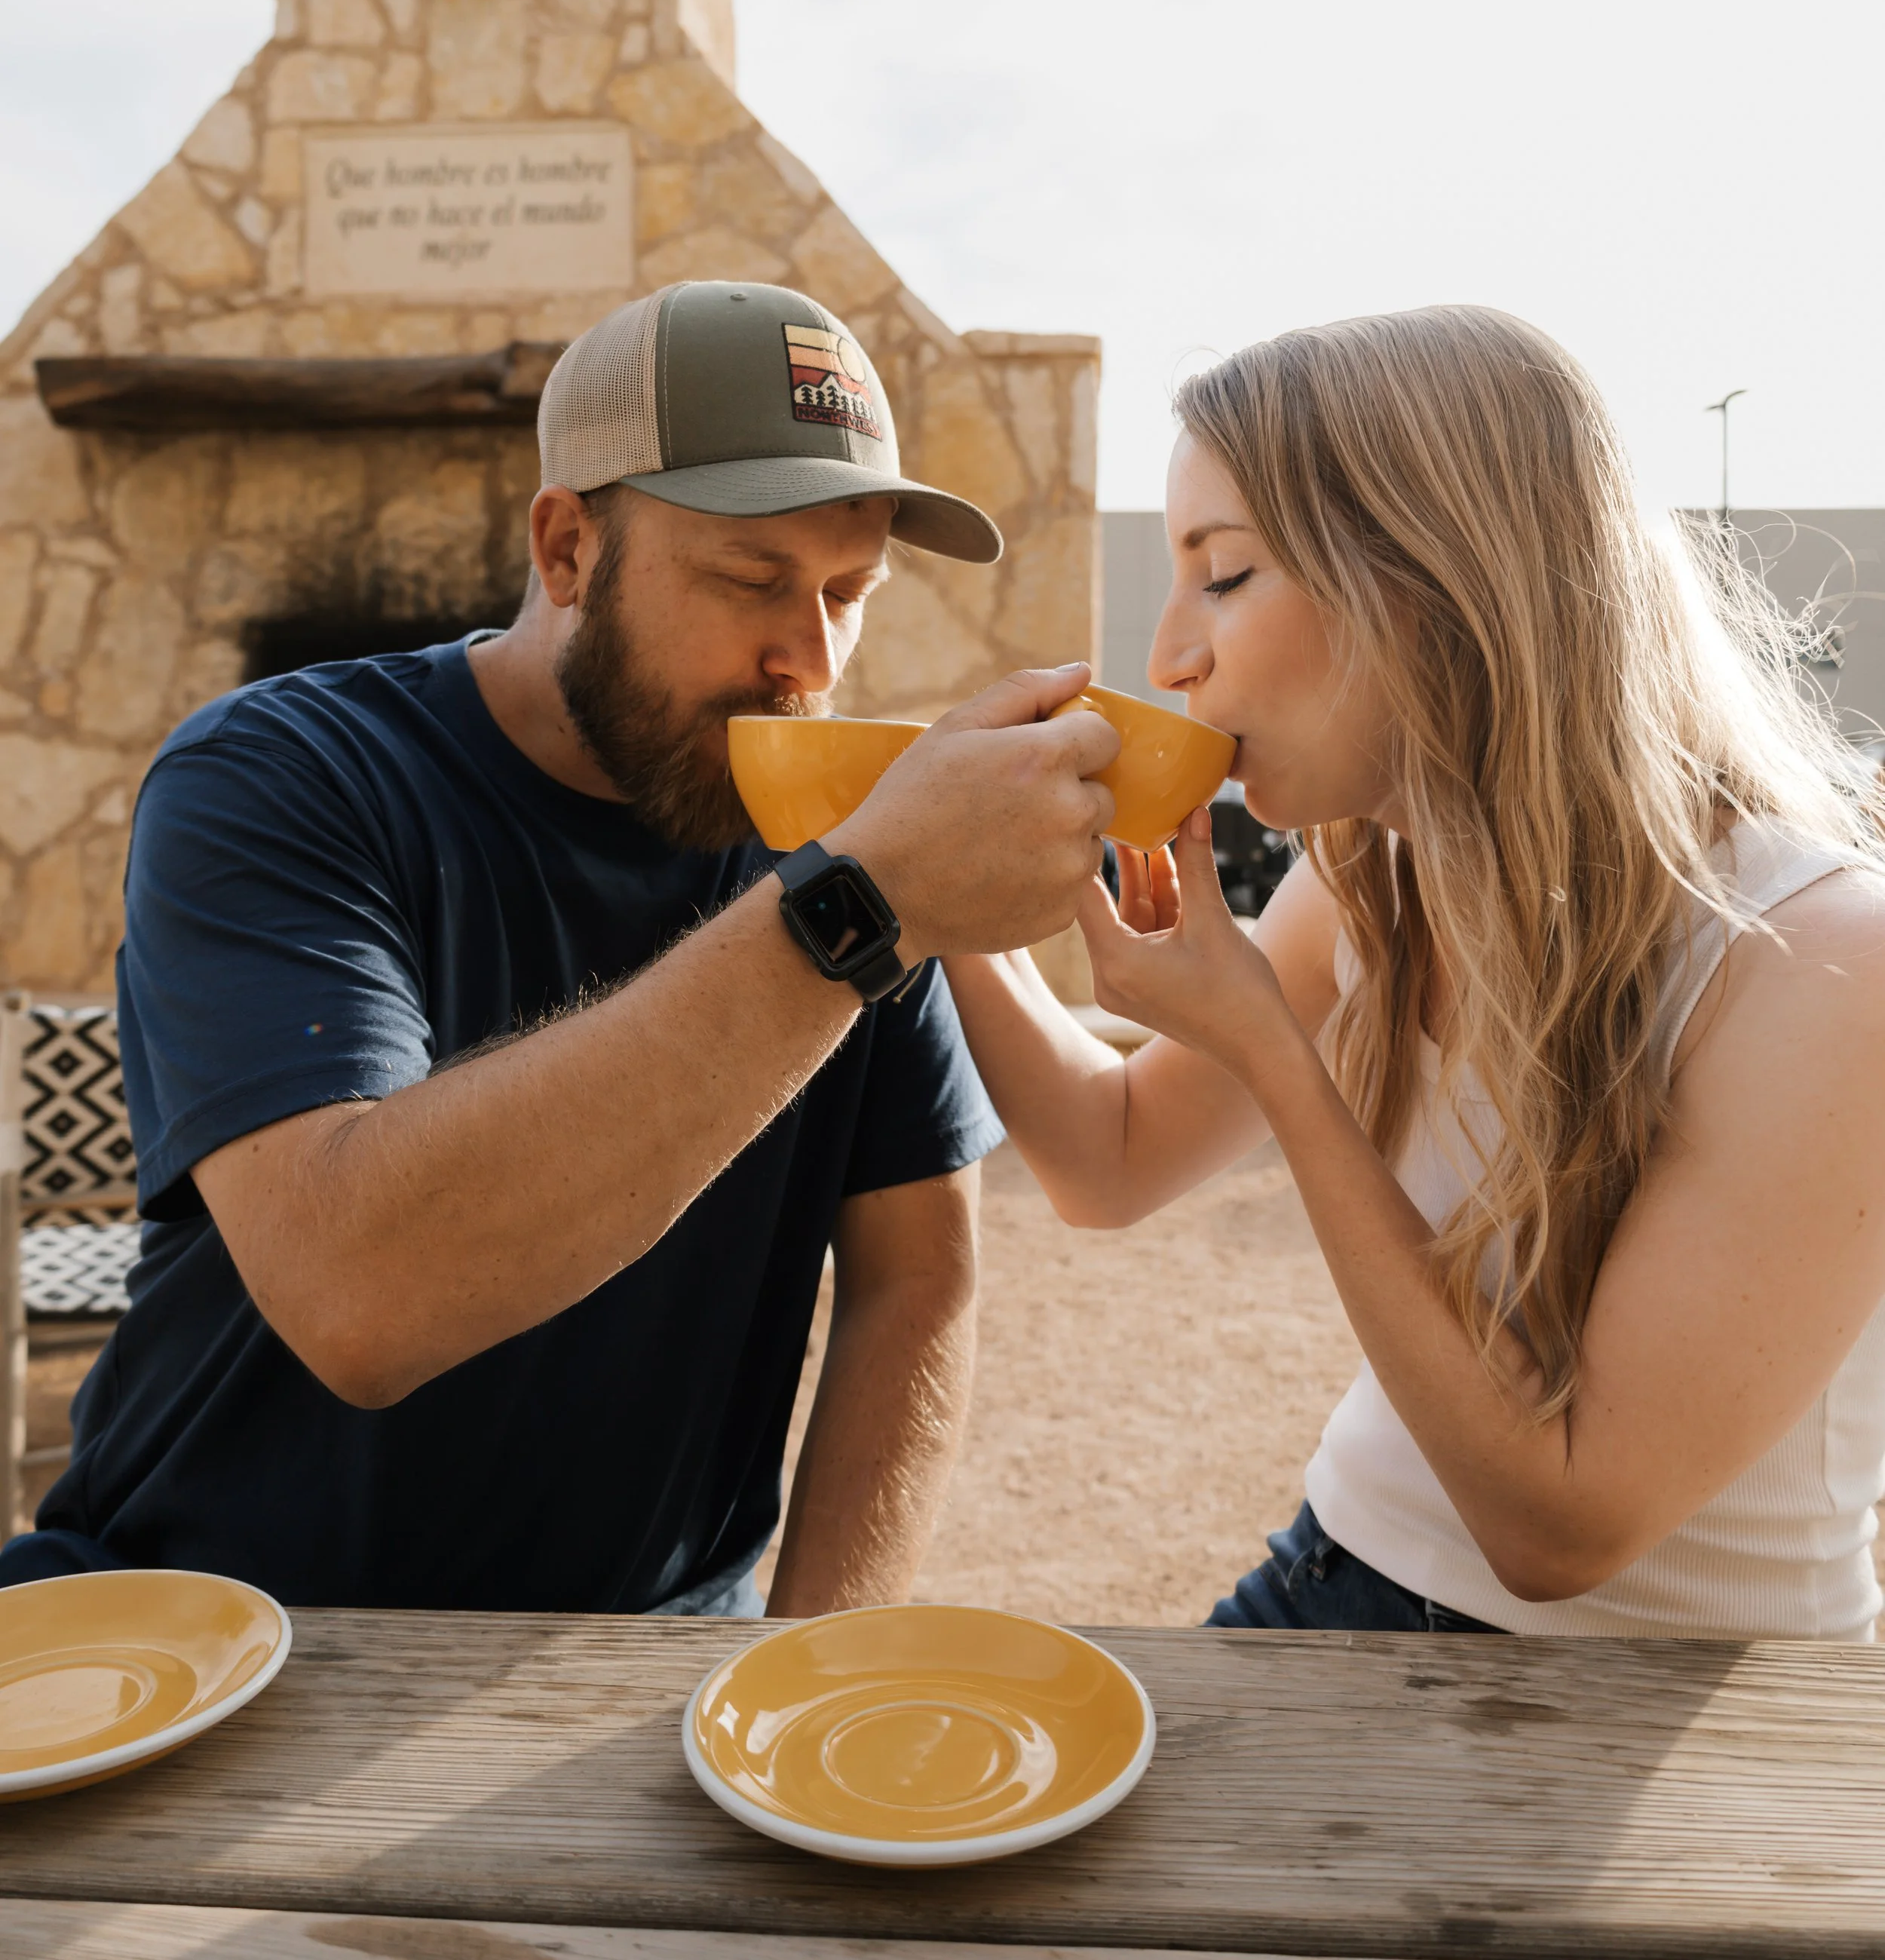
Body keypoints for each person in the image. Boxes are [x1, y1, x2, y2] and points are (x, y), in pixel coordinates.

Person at [7, 281, 1117, 1614]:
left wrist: (813, 1677)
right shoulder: (279, 774)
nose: (805, 659)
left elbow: (917, 1280)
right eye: (752, 578)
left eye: (847, 591)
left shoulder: (852, 831)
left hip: (635, 1663)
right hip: (205, 1621)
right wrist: (859, 906)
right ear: (567, 548)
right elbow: (360, 1290)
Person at [947, 305, 1885, 1639]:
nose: (1168, 657)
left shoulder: (1825, 963)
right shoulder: (1373, 876)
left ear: (1433, 577)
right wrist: (922, 888)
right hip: (1327, 1576)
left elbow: (1559, 1526)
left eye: (1223, 574)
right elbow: (1107, 1160)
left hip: (1666, 1723)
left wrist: (1272, 1048)